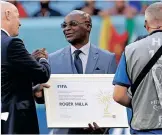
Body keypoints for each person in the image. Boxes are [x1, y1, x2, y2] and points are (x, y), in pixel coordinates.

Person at [35, 10, 117, 134]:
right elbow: (47, 98)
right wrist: (39, 95)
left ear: (88, 26)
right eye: (64, 25)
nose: (67, 29)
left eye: (73, 24)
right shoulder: (52, 59)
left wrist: (105, 125)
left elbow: (113, 97)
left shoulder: (107, 58)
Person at [1, 1, 51, 134]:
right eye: (17, 16)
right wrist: (42, 58)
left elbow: (7, 82)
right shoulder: (11, 43)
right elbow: (42, 74)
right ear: (7, 14)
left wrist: (30, 89)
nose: (20, 22)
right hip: (15, 122)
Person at [113, 2, 162, 134]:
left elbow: (118, 95)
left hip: (144, 127)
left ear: (146, 24)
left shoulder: (131, 50)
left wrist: (142, 104)